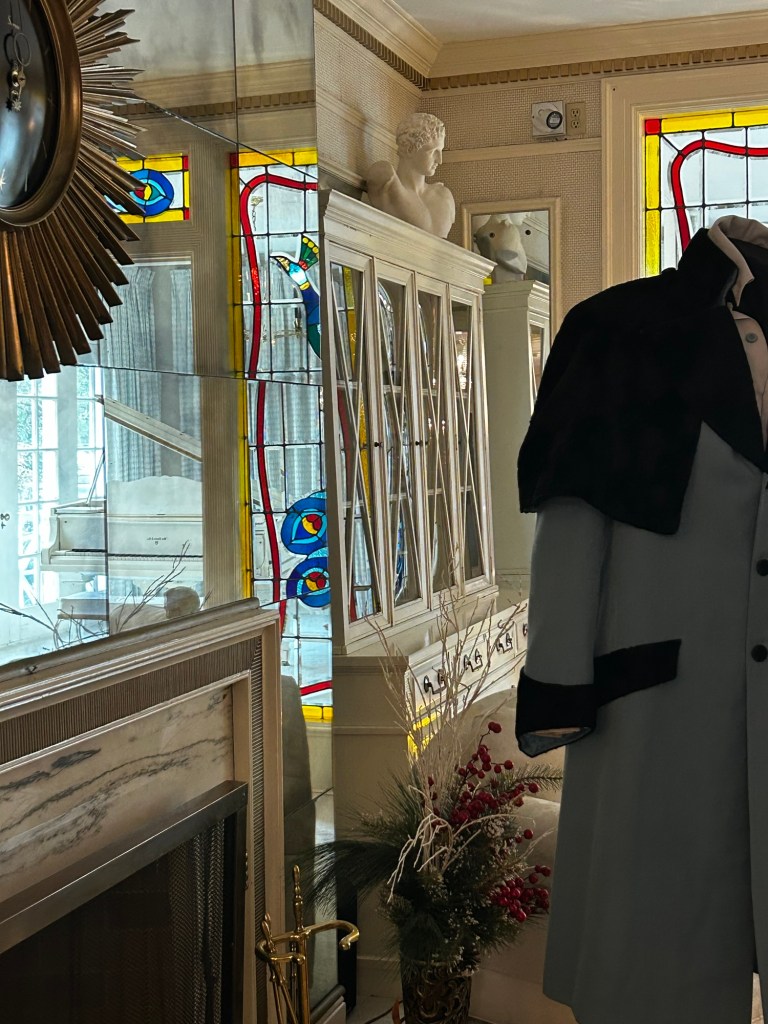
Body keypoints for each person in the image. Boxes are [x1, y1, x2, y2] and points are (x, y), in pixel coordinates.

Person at [366, 112, 455, 239]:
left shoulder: (444, 197)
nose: (439, 160)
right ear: (409, 149)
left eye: (440, 151)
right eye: (433, 152)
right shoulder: (386, 179)